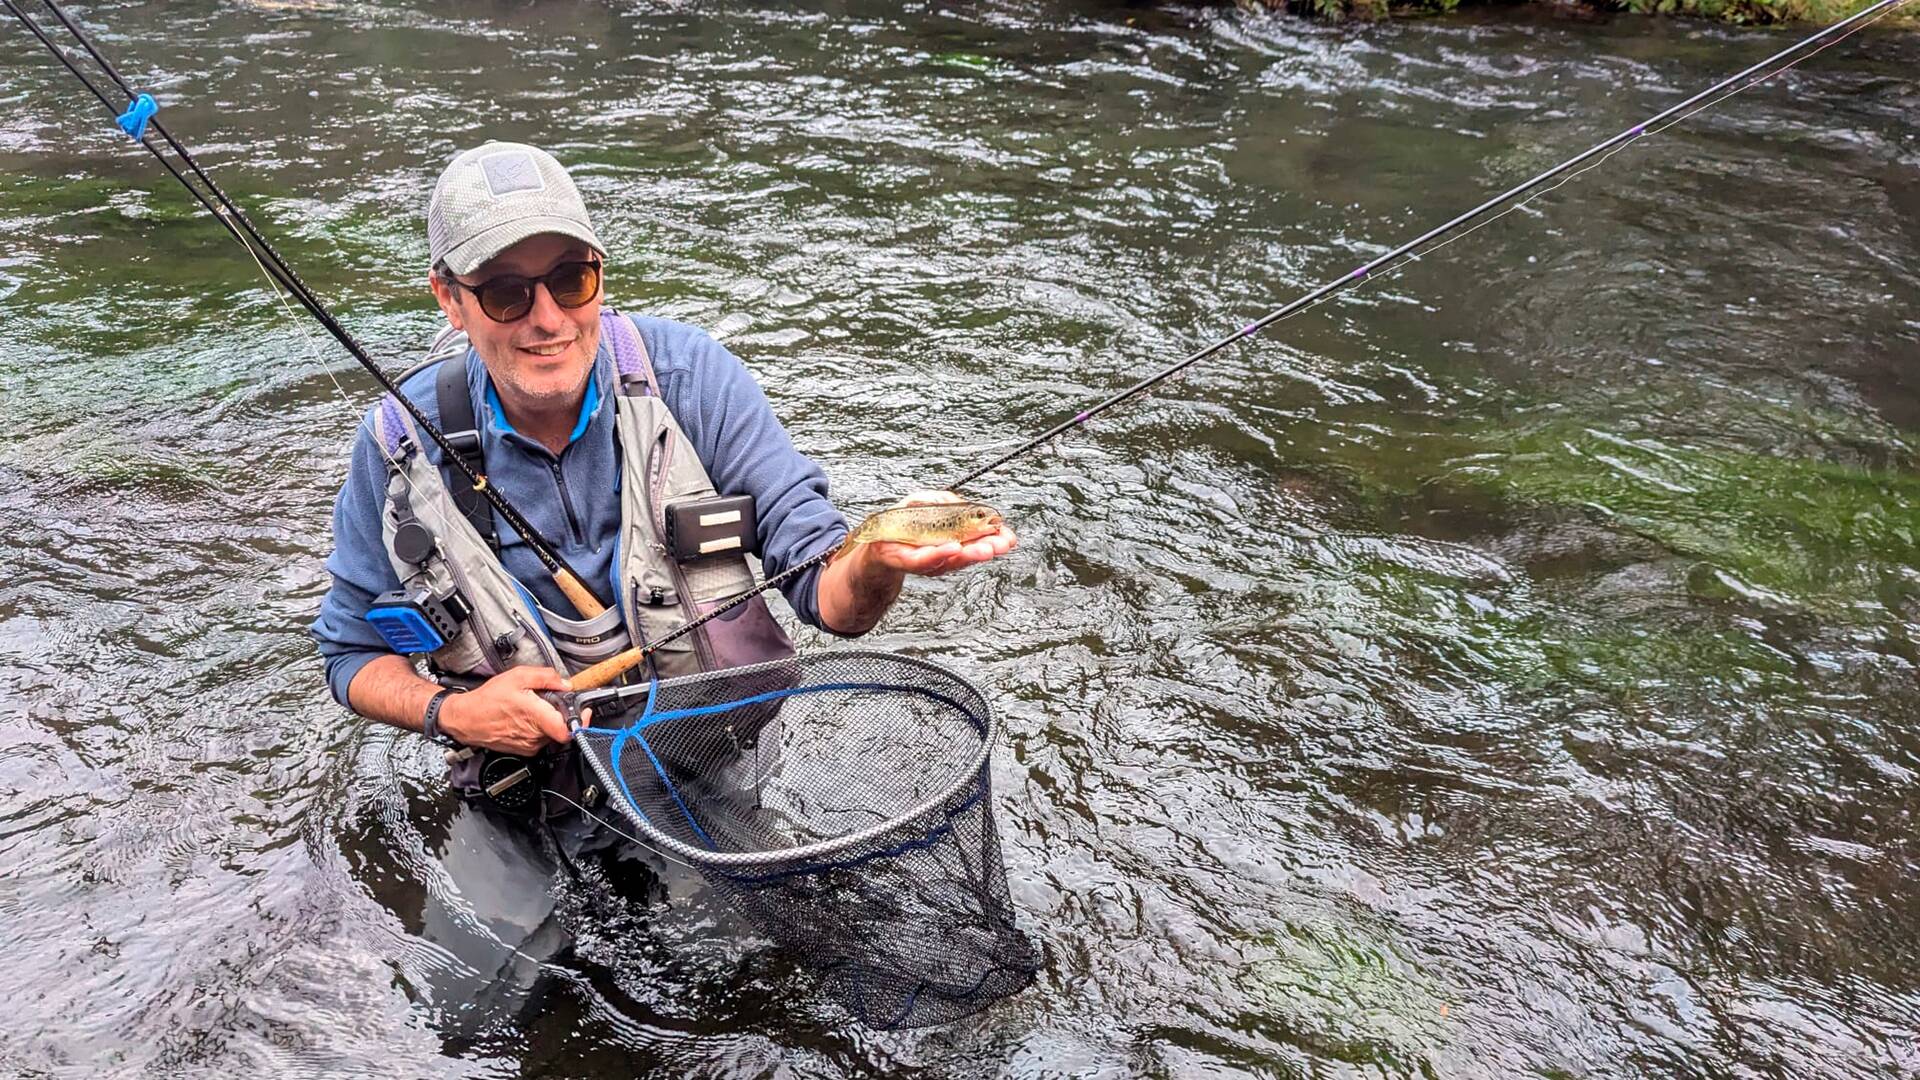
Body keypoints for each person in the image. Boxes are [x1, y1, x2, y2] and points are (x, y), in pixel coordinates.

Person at [311, 141, 1016, 778]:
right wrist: (453, 714)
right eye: (505, 292)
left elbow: (826, 595)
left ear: (600, 274)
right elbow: (349, 654)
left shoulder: (692, 379)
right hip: (521, 782)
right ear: (450, 300)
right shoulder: (398, 443)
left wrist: (873, 561)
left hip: (710, 760)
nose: (548, 318)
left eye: (570, 280)